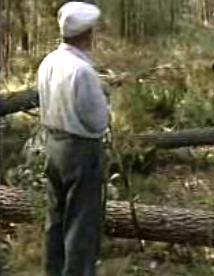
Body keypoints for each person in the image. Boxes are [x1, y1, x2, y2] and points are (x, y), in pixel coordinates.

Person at [37, 2, 108, 276]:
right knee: (81, 222)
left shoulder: (48, 62)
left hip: (53, 145)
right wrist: (105, 101)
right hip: (80, 150)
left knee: (55, 218)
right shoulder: (82, 70)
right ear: (86, 33)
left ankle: (51, 270)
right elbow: (98, 121)